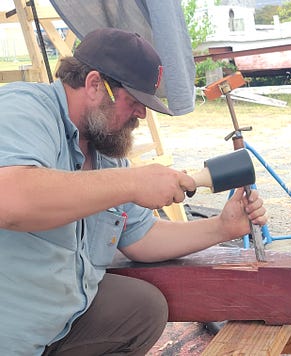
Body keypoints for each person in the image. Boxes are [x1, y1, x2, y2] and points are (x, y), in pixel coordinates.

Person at [0, 28, 267, 355]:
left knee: (143, 308)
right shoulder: (23, 109)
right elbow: (9, 199)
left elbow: (141, 236)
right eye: (135, 101)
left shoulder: (103, 152)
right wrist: (133, 183)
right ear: (95, 84)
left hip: (61, 315)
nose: (142, 114)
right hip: (12, 332)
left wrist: (221, 227)